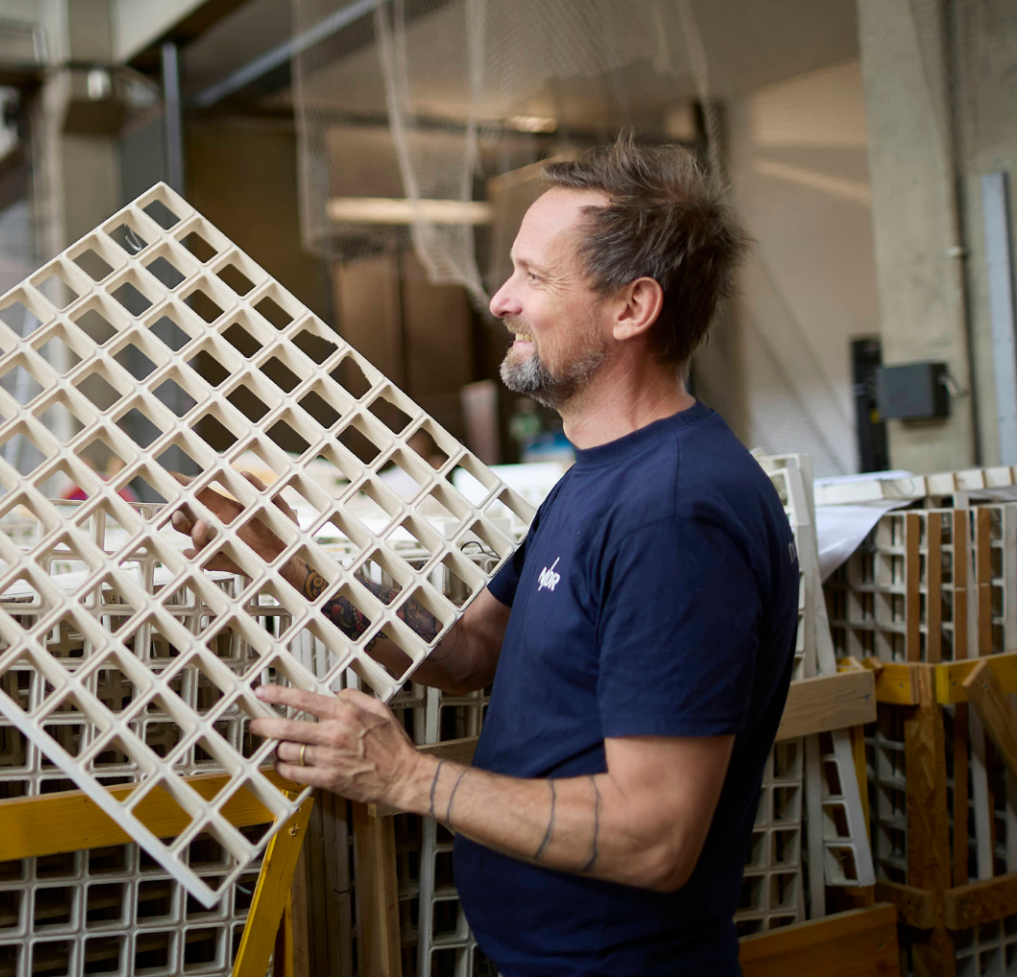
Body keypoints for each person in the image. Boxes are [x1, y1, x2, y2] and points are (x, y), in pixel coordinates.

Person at [171, 139, 799, 975]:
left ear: (632, 308)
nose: (501, 300)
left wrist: (406, 777)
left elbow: (656, 837)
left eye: (534, 277)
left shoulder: (675, 513)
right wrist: (291, 563)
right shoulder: (599, 479)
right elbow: (470, 653)